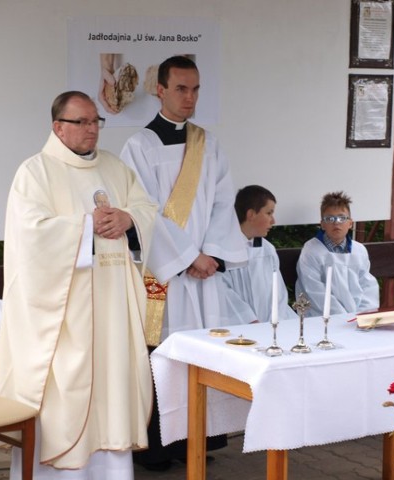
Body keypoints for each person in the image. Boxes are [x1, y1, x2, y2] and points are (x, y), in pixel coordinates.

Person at [0, 91, 157, 479]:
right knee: (64, 394)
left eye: (96, 121)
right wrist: (86, 227)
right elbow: (31, 236)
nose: (92, 130)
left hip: (112, 307)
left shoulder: (116, 168)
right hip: (64, 316)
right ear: (58, 127)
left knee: (110, 392)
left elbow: (146, 208)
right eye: (81, 122)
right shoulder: (35, 172)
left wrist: (129, 221)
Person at [120, 55, 247, 470]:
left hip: (203, 274)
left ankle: (194, 438)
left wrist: (209, 255)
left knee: (203, 353)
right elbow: (141, 212)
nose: (189, 97)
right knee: (164, 357)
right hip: (165, 275)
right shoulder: (139, 146)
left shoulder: (208, 144)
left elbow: (224, 203)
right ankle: (157, 446)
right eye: (180, 88)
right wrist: (189, 256)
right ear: (160, 89)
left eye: (195, 89)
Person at [295, 191, 379, 317]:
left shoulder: (359, 250)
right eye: (330, 218)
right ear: (322, 224)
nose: (336, 223)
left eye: (342, 218)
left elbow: (367, 286)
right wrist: (341, 317)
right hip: (322, 318)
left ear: (350, 223)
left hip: (357, 318)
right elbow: (314, 290)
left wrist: (363, 314)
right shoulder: (311, 250)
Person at [222, 185, 297, 324]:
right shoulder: (223, 250)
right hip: (239, 328)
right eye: (269, 213)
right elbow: (223, 293)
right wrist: (249, 320)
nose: (273, 221)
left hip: (272, 326)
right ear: (251, 214)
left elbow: (279, 294)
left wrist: (275, 322)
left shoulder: (267, 250)